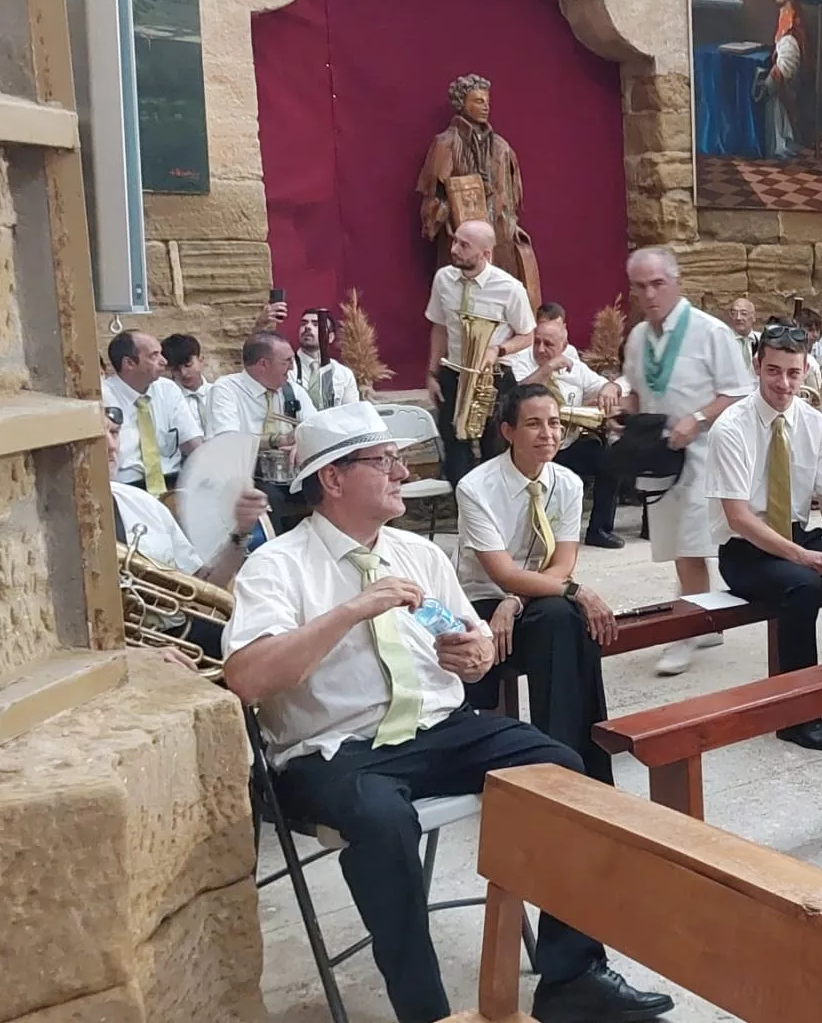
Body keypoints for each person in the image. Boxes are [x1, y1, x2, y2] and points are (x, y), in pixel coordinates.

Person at [222, 403, 673, 1023]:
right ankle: (426, 1013)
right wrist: (354, 608)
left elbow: (475, 643)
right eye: (384, 463)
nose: (402, 475)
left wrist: (476, 656)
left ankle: (572, 975)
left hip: (437, 728)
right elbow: (246, 678)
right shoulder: (277, 565)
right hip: (334, 749)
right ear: (332, 478)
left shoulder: (418, 553)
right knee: (382, 823)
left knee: (562, 767)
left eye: (398, 462)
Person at [453, 385, 619, 782]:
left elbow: (563, 561)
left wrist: (517, 601)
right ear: (508, 431)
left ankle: (574, 763)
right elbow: (503, 575)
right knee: (566, 614)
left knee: (568, 620)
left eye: (555, 423)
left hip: (533, 597)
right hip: (483, 602)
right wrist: (573, 592)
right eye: (533, 424)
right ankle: (568, 765)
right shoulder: (475, 488)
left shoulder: (568, 482)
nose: (548, 434)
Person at [706, 323, 822, 751]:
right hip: (744, 550)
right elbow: (739, 517)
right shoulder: (731, 428)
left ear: (806, 371)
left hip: (795, 534)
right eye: (773, 371)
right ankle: (796, 714)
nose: (783, 384)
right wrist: (803, 556)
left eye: (793, 373)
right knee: (802, 586)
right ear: (756, 367)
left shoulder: (812, 421)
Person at [622, 248, 754, 676]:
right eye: (640, 286)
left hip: (707, 454)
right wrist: (614, 397)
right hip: (660, 457)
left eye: (658, 283)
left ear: (676, 282)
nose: (650, 294)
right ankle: (707, 621)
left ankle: (685, 631)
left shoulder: (710, 332)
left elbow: (738, 391)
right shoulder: (639, 337)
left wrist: (697, 419)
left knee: (690, 545)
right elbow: (638, 392)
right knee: (676, 541)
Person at [107, 409, 267, 659]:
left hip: (174, 633)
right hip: (119, 652)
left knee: (255, 645)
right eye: (99, 435)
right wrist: (141, 655)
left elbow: (203, 586)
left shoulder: (143, 503)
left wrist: (241, 530)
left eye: (114, 433)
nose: (110, 446)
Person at [503, 303, 624, 548]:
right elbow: (515, 397)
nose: (541, 349)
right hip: (532, 447)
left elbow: (603, 386)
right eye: (537, 342)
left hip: (567, 442)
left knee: (611, 459)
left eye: (549, 345)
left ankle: (599, 530)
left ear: (563, 346)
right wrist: (547, 369)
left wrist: (612, 387)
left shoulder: (574, 366)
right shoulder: (520, 361)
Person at [424, 218, 534, 485]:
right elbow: (439, 327)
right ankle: (466, 512)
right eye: (455, 241)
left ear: (486, 254)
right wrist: (432, 373)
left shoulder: (509, 288)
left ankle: (498, 514)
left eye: (464, 245)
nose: (454, 249)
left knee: (495, 449)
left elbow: (528, 335)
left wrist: (499, 349)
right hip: (454, 372)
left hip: (491, 376)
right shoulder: (444, 278)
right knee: (455, 450)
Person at [415, 75, 537, 300]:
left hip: (499, 241)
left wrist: (512, 225)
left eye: (487, 101)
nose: (485, 106)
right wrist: (448, 217)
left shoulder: (501, 147)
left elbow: (508, 198)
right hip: (462, 240)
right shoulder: (446, 144)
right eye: (478, 101)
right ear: (462, 103)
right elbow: (431, 201)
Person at [103, 329, 202, 496]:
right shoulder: (103, 397)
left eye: (161, 354)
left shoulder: (168, 390)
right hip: (126, 490)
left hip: (172, 486)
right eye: (153, 356)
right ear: (129, 363)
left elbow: (194, 445)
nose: (163, 361)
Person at [205, 331, 313, 438]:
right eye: (287, 361)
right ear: (263, 364)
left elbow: (316, 429)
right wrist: (275, 441)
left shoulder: (294, 390)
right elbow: (228, 440)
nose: (292, 368)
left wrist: (300, 445)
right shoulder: (226, 389)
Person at [762, 0, 809, 160]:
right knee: (772, 96)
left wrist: (779, 69)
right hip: (782, 62)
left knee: (768, 89)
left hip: (789, 68)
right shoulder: (784, 14)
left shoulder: (793, 17)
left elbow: (792, 47)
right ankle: (779, 142)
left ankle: (781, 144)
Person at [294, 307, 359, 411]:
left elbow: (351, 415)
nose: (307, 327)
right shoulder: (286, 368)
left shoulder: (344, 374)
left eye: (316, 324)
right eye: (303, 323)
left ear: (330, 337)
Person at [162, 332, 212, 430]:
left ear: (201, 360)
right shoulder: (168, 400)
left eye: (188, 365)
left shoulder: (219, 392)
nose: (183, 373)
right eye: (176, 369)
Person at [725, 297, 757, 371]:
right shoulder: (723, 341)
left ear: (754, 317)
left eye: (744, 313)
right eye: (734, 313)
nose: (738, 318)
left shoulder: (762, 340)